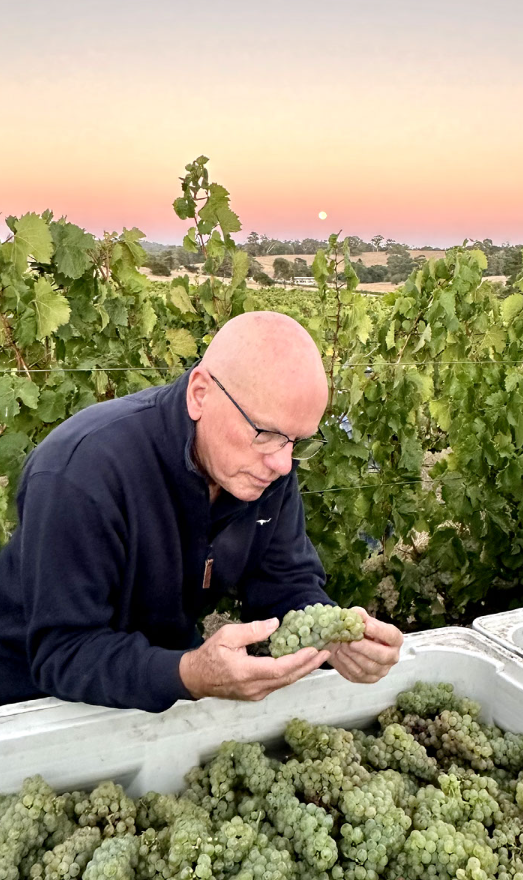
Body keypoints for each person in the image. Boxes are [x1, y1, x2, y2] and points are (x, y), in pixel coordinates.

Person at [0, 311, 402, 711]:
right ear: (200, 394)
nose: (283, 463)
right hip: (33, 699)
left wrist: (333, 634)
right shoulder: (80, 475)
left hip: (159, 678)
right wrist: (190, 672)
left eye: (297, 441)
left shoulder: (265, 466)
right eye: (266, 434)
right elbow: (64, 652)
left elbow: (284, 582)